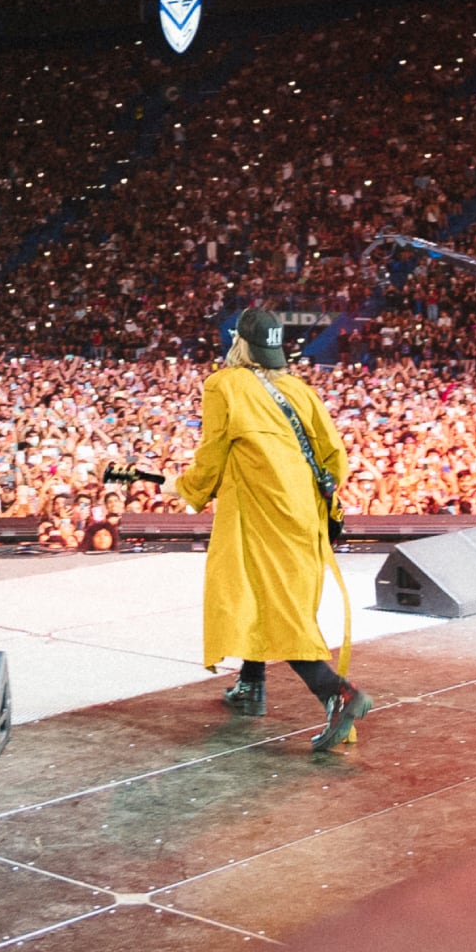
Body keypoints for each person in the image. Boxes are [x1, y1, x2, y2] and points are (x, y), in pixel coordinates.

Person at [168, 308, 371, 751]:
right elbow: (336, 459)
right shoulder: (301, 390)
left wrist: (185, 488)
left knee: (276, 606)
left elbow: (213, 454)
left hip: (261, 514)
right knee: (258, 594)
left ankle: (338, 693)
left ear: (239, 343)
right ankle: (251, 684)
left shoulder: (224, 385)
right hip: (304, 515)